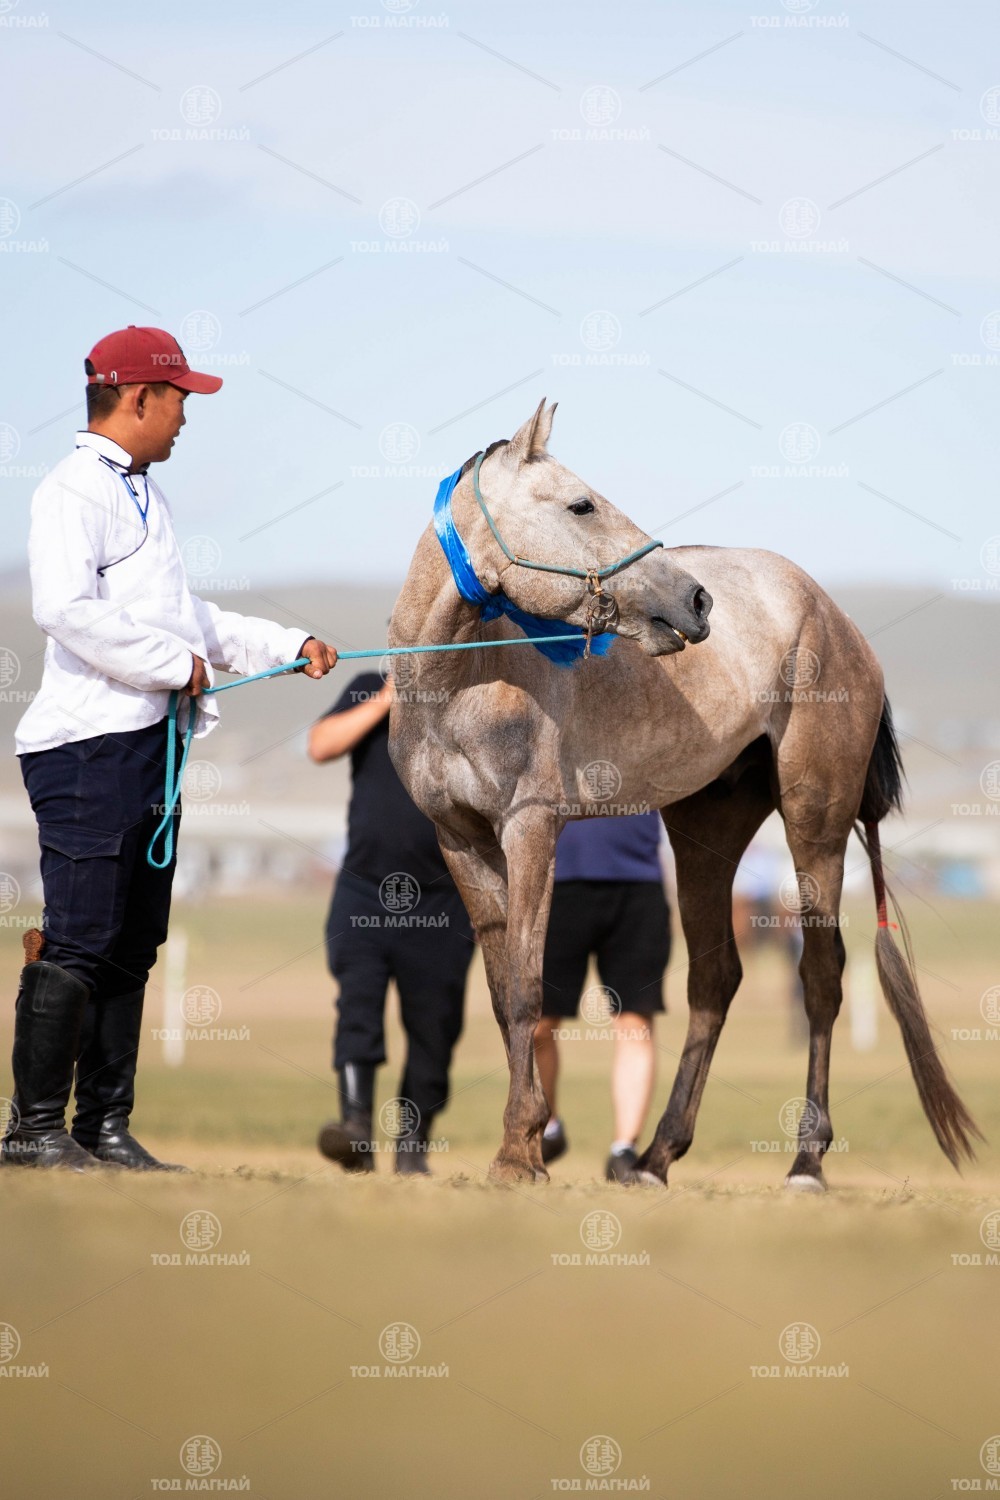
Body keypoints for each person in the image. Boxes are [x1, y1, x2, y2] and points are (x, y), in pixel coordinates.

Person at [2, 325, 337, 1173]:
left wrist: (288, 644)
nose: (187, 415)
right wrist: (175, 665)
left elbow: (191, 621)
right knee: (80, 937)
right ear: (139, 396)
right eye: (181, 397)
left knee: (132, 941)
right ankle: (34, 1130)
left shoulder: (147, 494)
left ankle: (102, 1129)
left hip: (151, 746)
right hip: (87, 747)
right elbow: (63, 608)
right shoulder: (73, 488)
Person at [309, 671, 474, 1175]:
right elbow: (320, 745)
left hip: (445, 900)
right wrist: (386, 700)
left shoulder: (472, 693)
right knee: (357, 1008)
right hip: (364, 890)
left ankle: (412, 1147)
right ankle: (355, 1130)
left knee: (435, 1027)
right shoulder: (369, 685)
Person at [533, 811, 671, 1183]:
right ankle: (548, 1128)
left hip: (638, 885)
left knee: (635, 1023)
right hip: (553, 882)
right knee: (537, 1025)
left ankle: (624, 1150)